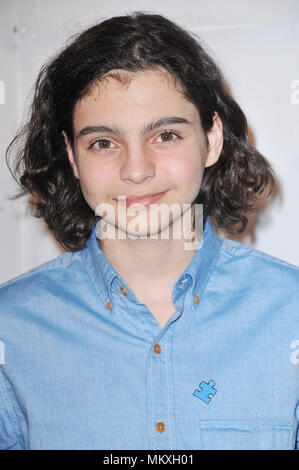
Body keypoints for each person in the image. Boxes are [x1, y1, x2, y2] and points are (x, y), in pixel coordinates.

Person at [0, 11, 298, 450]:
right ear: (71, 155)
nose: (136, 170)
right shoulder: (11, 326)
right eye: (103, 142)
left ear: (212, 139)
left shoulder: (290, 311)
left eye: (166, 136)